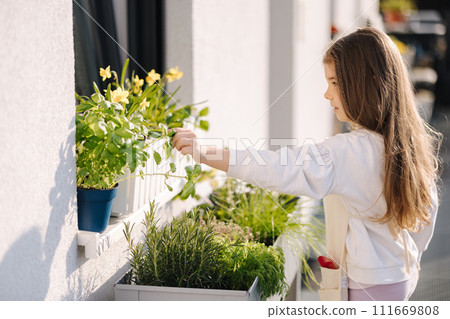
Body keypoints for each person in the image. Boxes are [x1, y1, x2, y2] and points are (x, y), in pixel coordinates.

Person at [171, 27, 442, 301]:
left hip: (367, 288)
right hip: (400, 277)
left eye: (335, 83)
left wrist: (204, 152)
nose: (327, 94)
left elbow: (276, 167)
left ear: (368, 83)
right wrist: (410, 260)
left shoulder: (349, 151)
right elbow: (427, 212)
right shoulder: (409, 142)